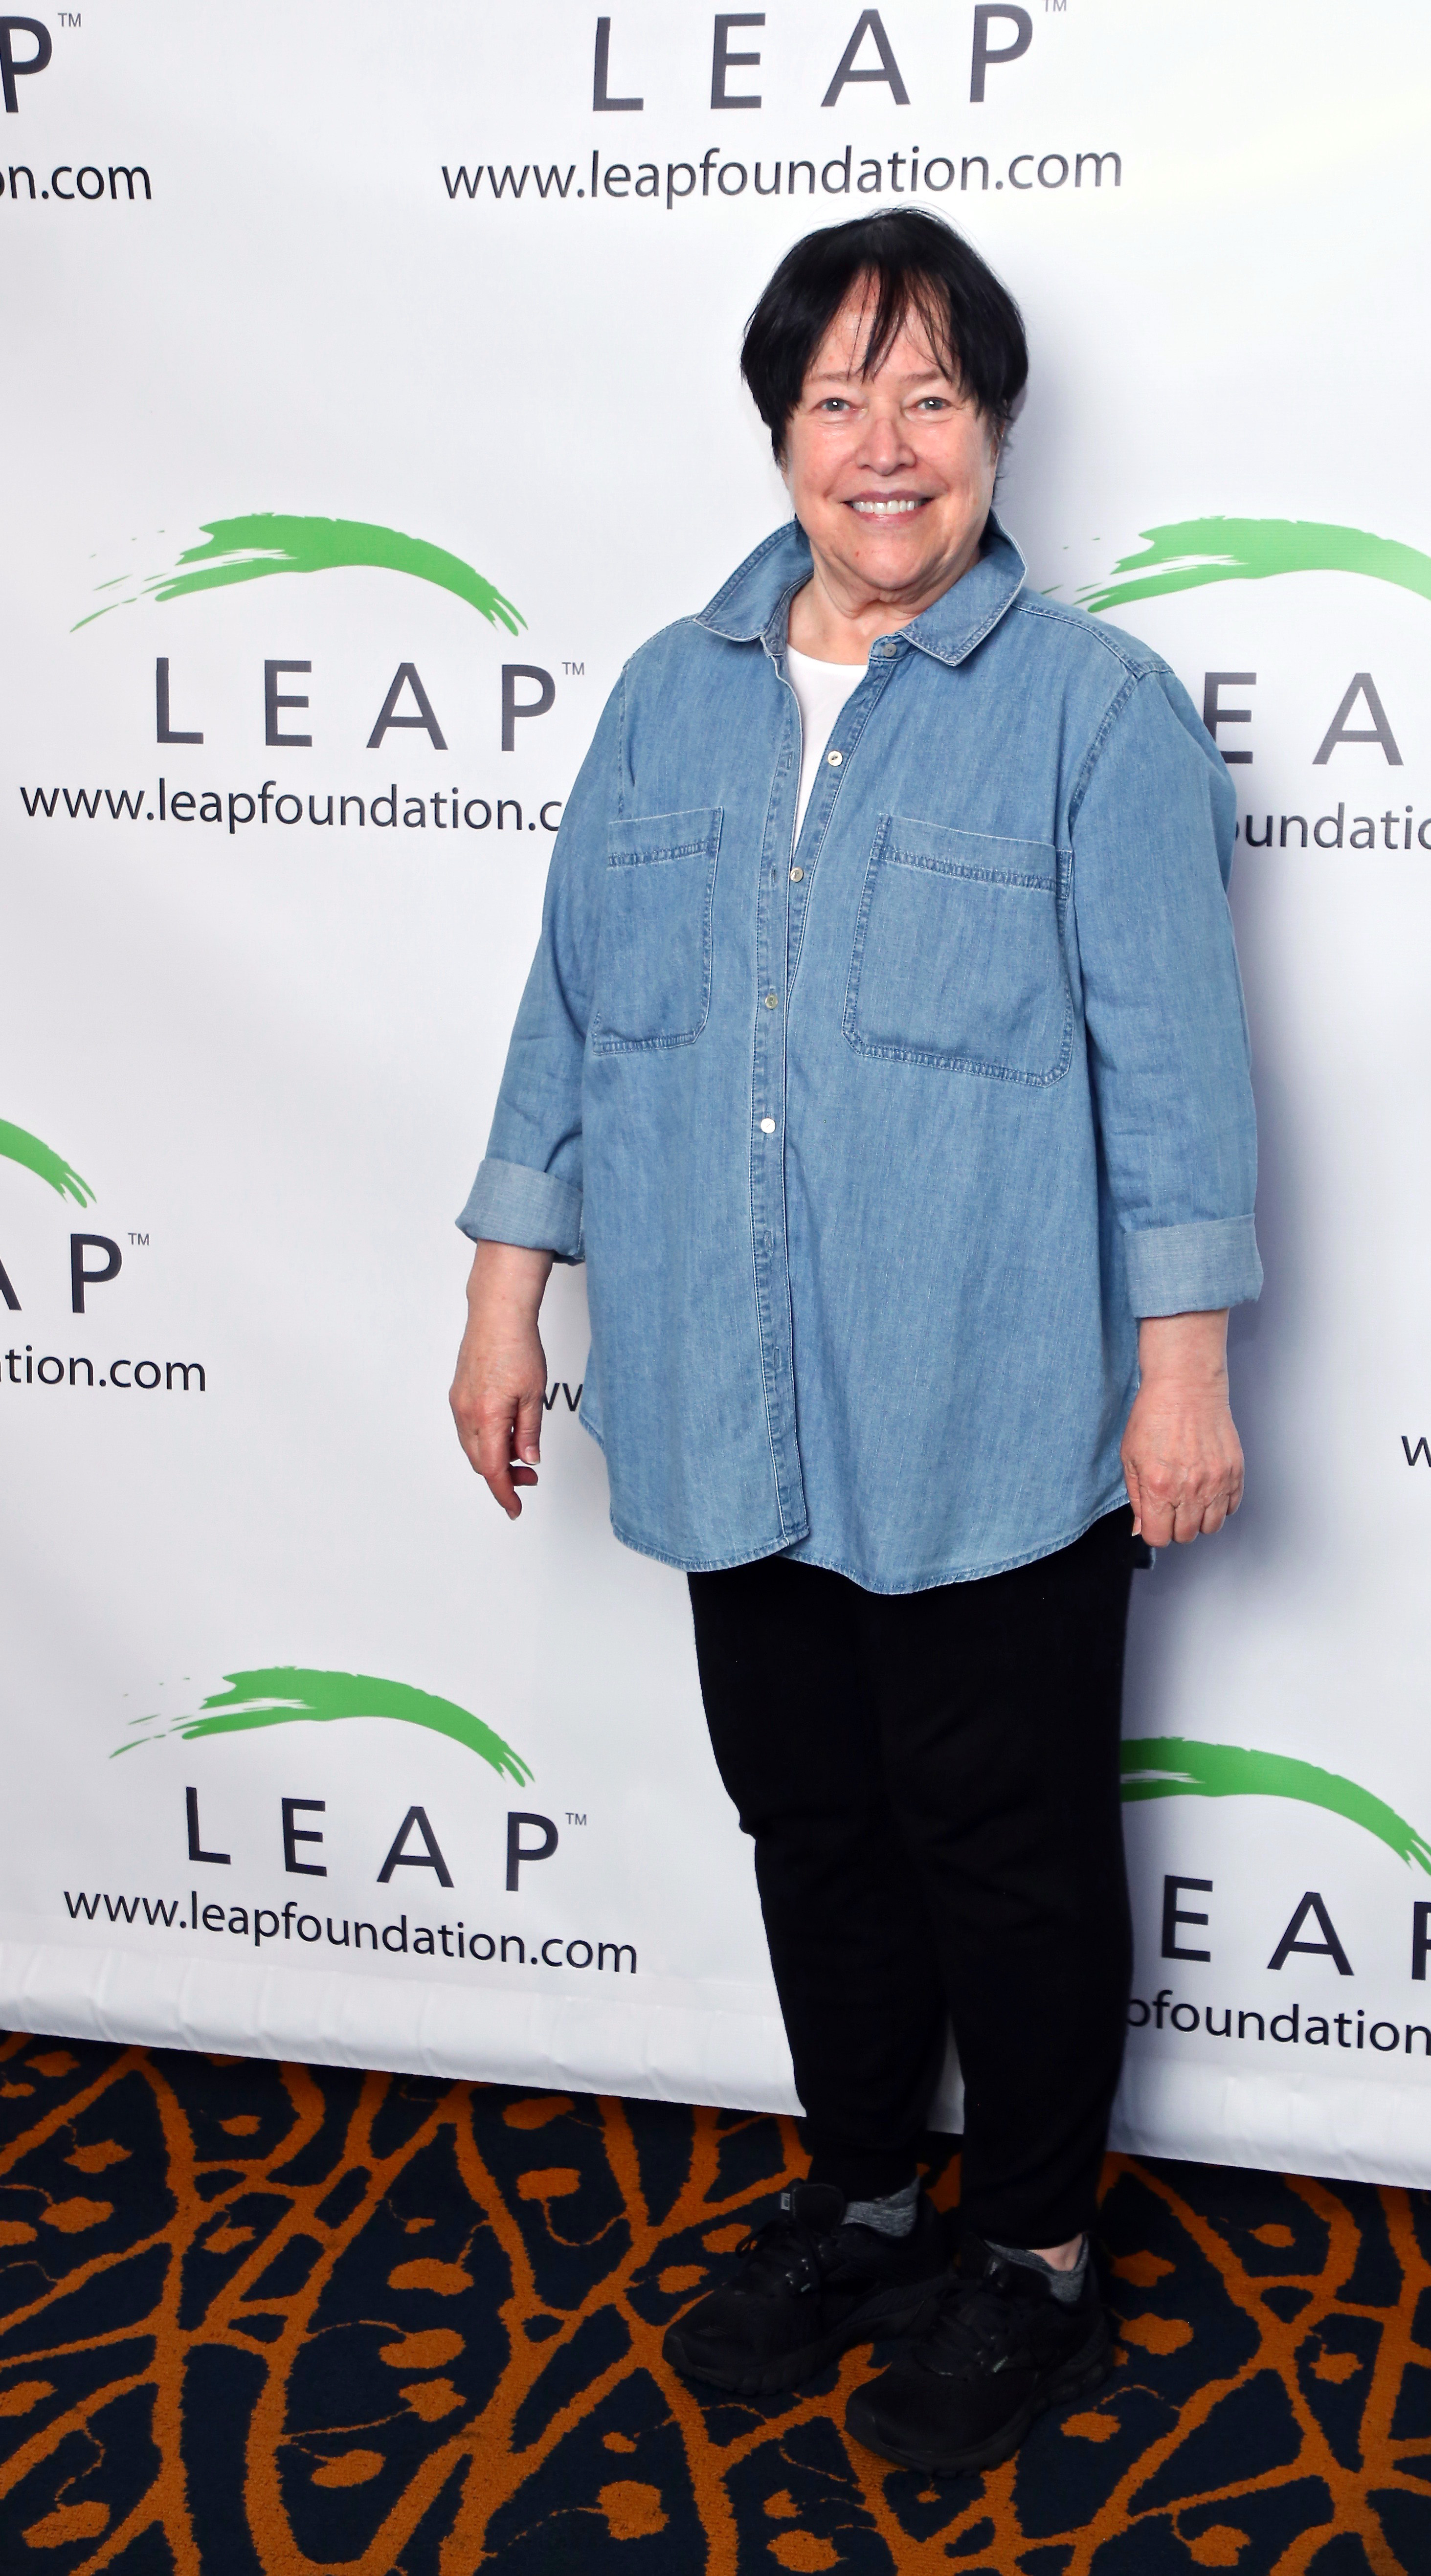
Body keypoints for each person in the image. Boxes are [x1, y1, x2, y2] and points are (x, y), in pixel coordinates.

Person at [449, 207, 1259, 2477]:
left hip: (993, 1399)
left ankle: (1029, 2258)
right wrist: (506, 1290)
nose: (882, 449)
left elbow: (1176, 1076)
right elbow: (573, 1018)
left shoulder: (1092, 712)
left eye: (930, 400)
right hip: (726, 1384)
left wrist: (1179, 1370)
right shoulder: (661, 693)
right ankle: (865, 2199)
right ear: (779, 431)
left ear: (993, 429)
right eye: (838, 400)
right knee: (809, 1820)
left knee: (999, 1844)